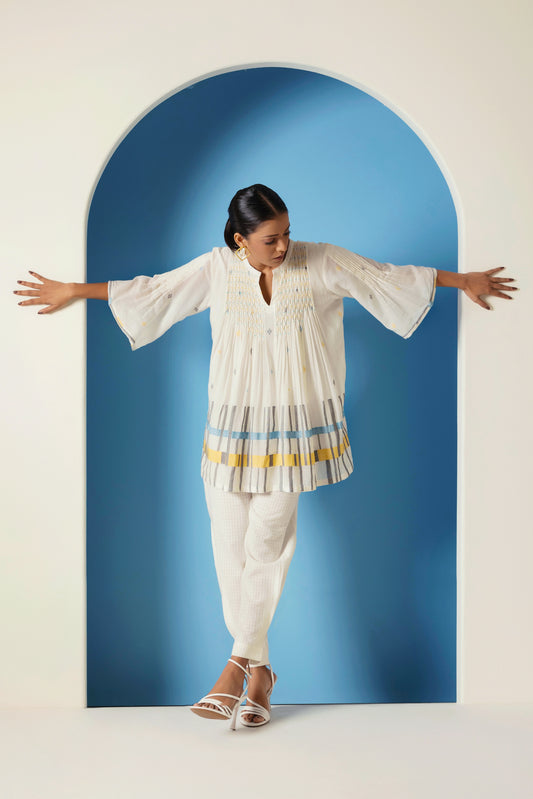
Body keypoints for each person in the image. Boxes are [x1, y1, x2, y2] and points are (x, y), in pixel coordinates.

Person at [14, 184, 517, 730]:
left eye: (287, 234)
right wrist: (74, 290)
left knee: (266, 548)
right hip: (229, 434)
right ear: (240, 239)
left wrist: (461, 280)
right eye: (270, 239)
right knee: (230, 557)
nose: (283, 247)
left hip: (297, 437)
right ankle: (262, 675)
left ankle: (234, 668)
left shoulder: (320, 261)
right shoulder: (216, 269)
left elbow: (386, 277)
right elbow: (153, 292)